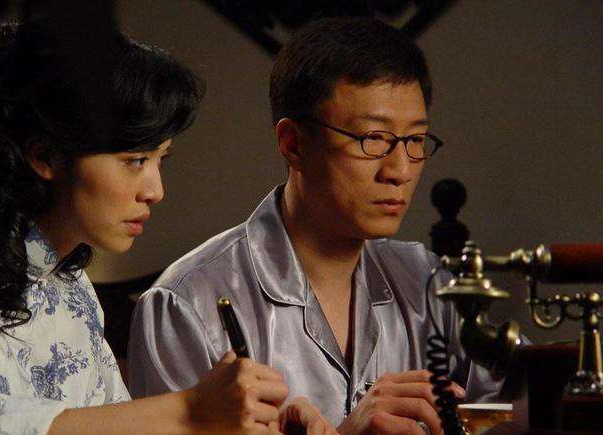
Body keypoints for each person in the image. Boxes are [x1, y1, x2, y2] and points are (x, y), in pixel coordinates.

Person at [128, 16, 505, 435]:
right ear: (293, 144)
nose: (399, 170)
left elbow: (510, 408)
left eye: (415, 140)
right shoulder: (185, 303)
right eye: (373, 139)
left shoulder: (428, 281)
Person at [0, 22, 335, 435]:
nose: (155, 191)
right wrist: (191, 412)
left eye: (161, 160)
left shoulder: (71, 287)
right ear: (44, 155)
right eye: (135, 160)